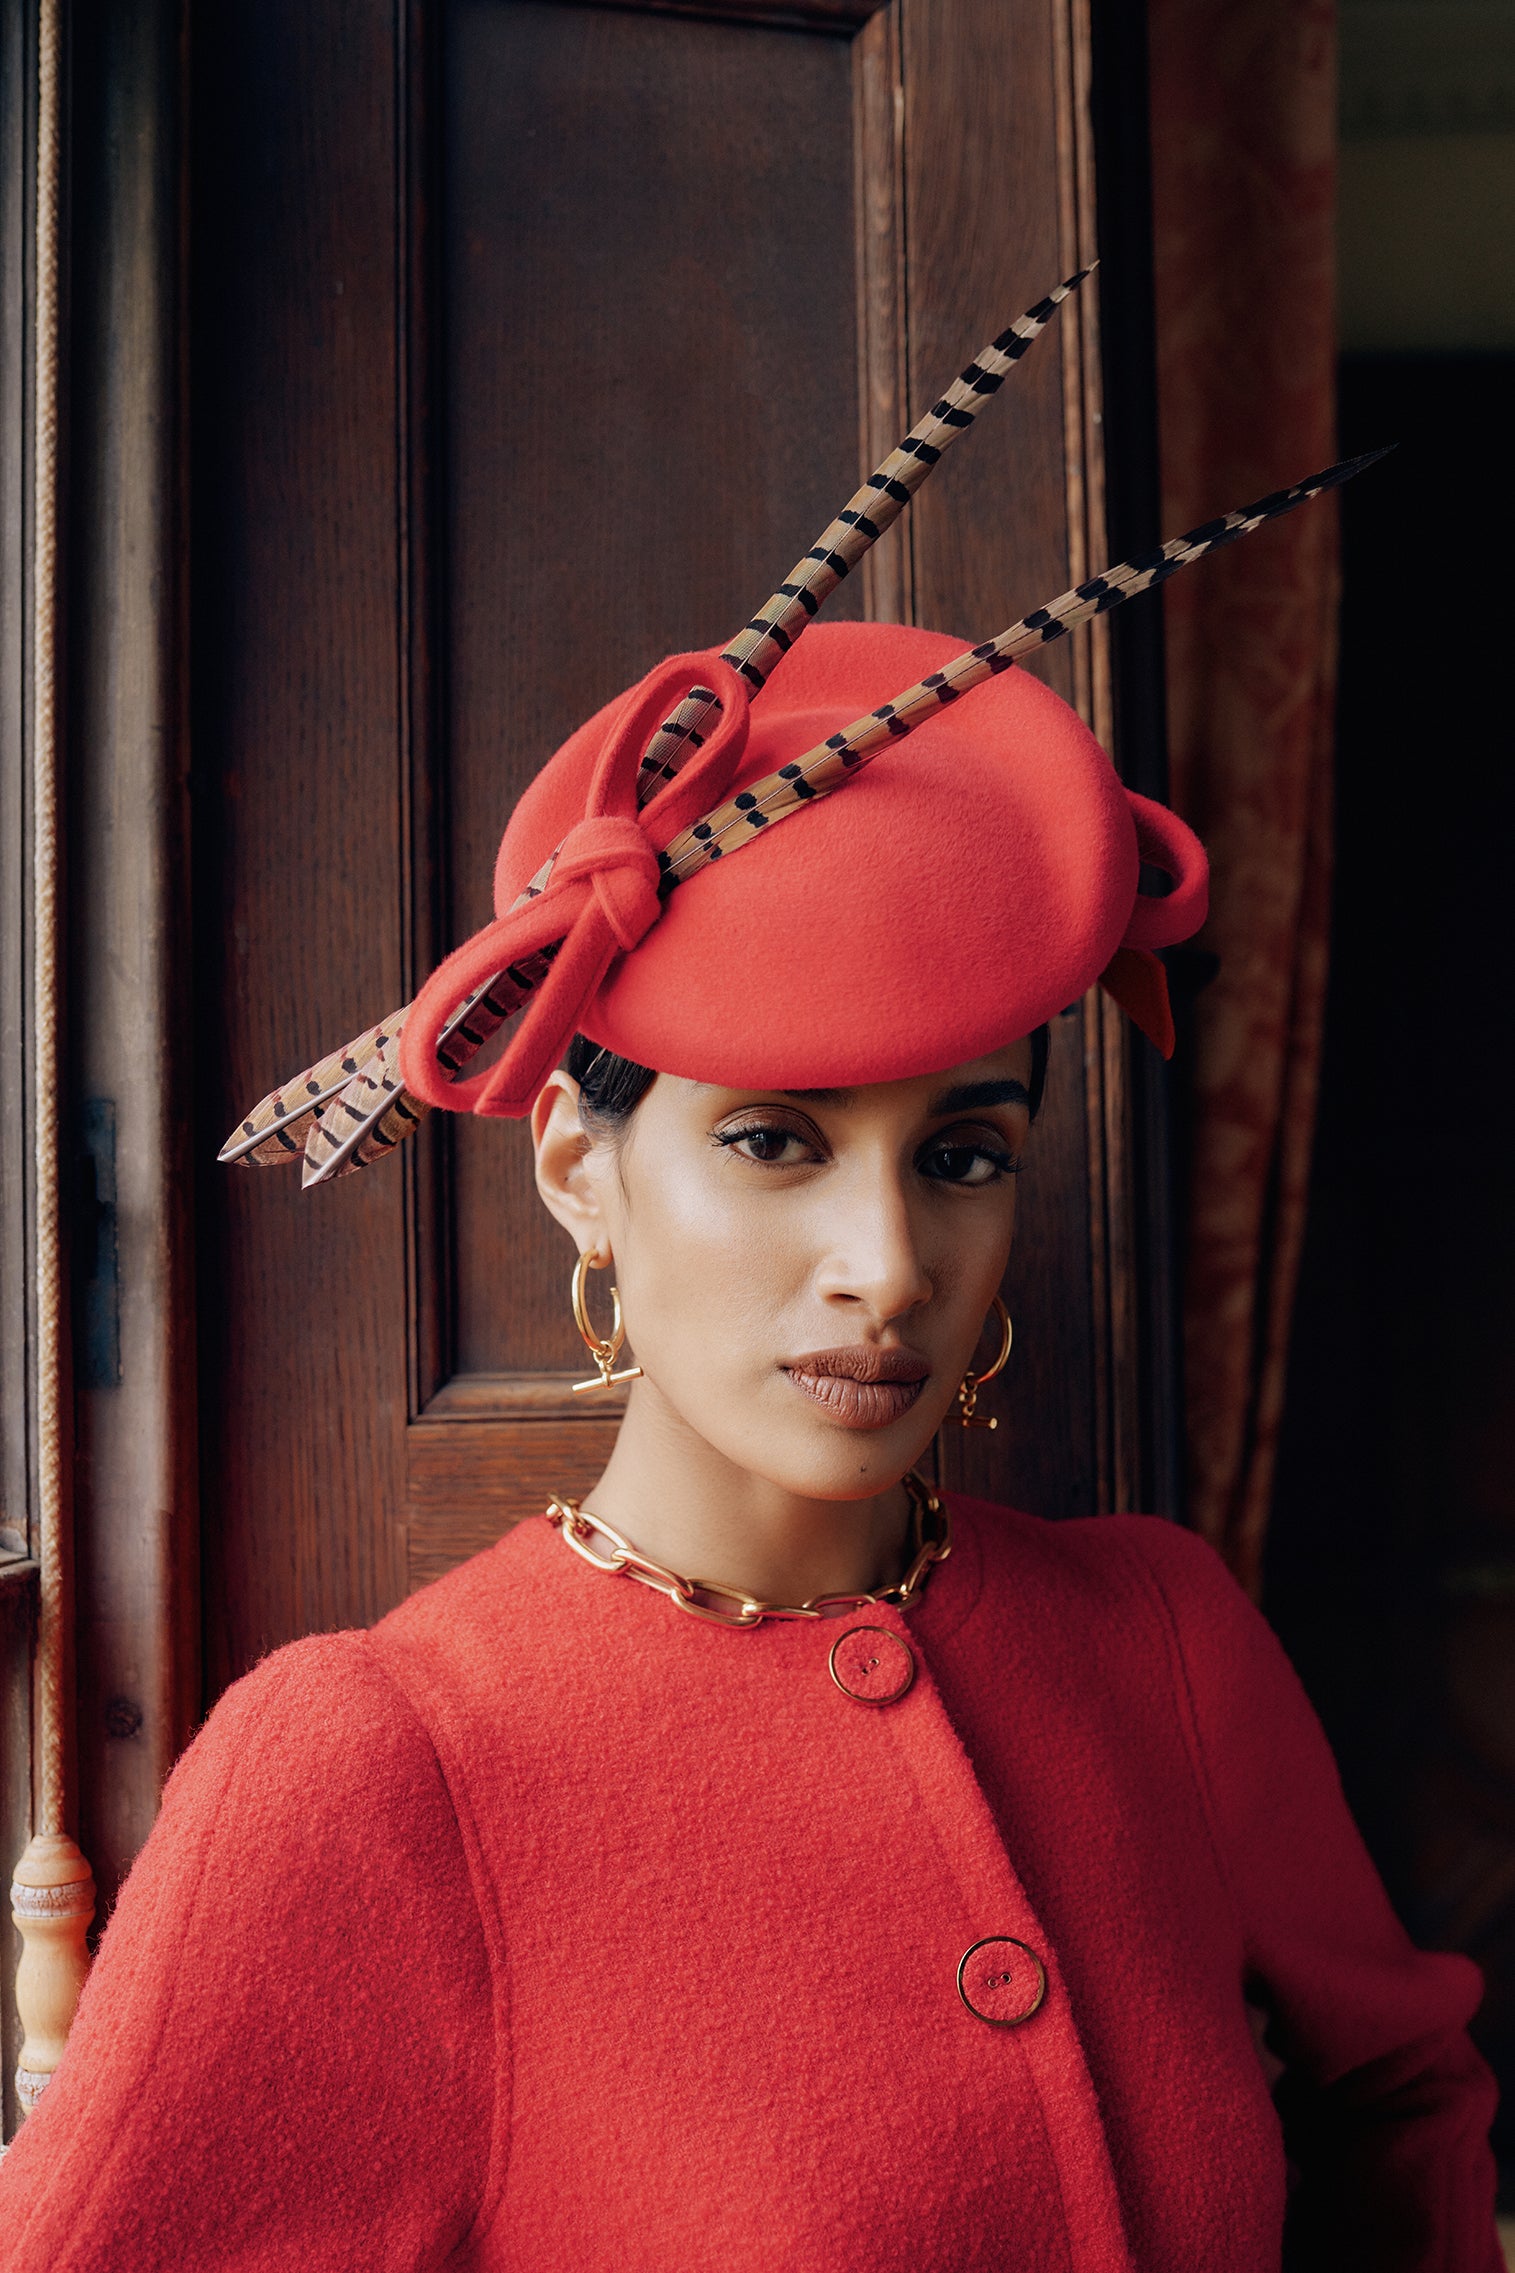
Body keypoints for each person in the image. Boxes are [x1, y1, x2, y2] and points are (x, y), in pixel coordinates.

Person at [0, 306, 1498, 2270]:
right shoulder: (374, 1773)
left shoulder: (1162, 1645)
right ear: (577, 1171)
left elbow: (1404, 2115)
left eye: (960, 1154)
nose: (886, 1267)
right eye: (773, 1141)